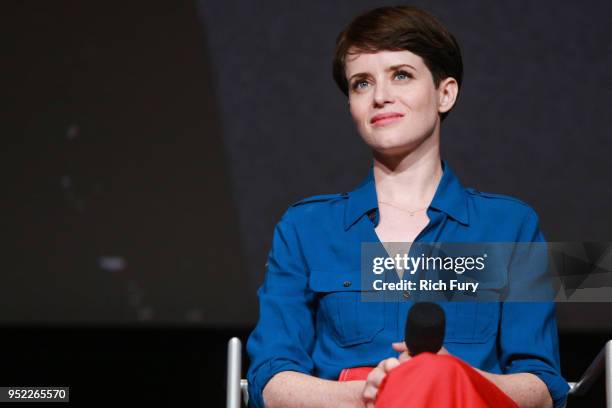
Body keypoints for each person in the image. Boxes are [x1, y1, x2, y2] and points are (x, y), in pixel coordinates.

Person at [246, 5, 568, 408]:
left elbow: (542, 387)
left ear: (445, 93)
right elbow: (270, 383)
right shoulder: (304, 228)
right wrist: (370, 393)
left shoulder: (511, 225)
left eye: (401, 75)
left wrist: (452, 378)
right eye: (361, 83)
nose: (380, 96)